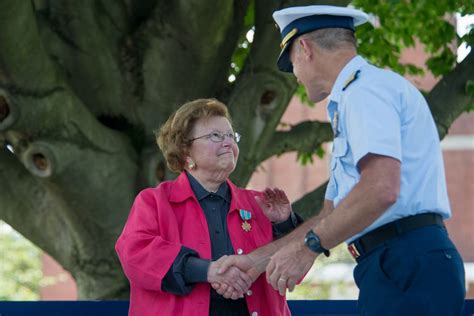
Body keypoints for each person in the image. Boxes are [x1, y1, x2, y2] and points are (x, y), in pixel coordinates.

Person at [217, 5, 466, 315]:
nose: (294, 76)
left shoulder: (364, 92)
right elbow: (330, 214)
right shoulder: (356, 96)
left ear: (305, 48)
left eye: (290, 62)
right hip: (397, 263)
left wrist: (309, 248)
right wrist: (256, 262)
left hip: (406, 262)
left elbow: (381, 188)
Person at [115, 99, 300, 316]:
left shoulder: (260, 204)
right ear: (185, 150)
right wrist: (208, 271)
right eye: (216, 136)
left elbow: (294, 270)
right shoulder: (154, 202)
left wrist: (285, 224)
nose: (228, 143)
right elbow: (135, 255)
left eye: (231, 136)